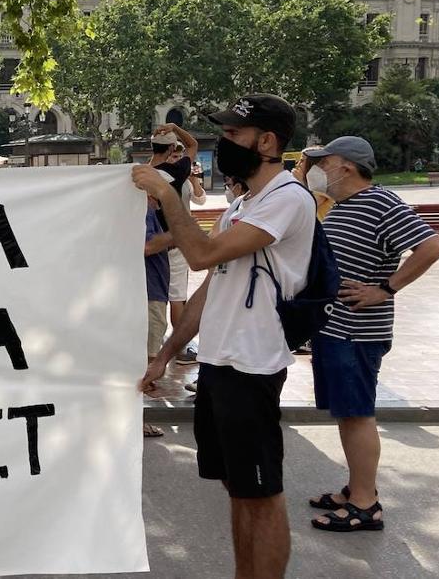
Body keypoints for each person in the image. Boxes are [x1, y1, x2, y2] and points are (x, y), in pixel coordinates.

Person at [134, 93, 315, 579]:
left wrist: (169, 194)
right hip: (219, 365)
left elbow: (201, 256)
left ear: (268, 141)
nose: (226, 141)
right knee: (238, 491)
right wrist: (166, 357)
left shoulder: (287, 199)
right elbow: (208, 293)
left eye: (235, 133)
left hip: (252, 366)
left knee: (262, 494)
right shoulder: (244, 205)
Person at [302, 136, 439, 533]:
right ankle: (357, 488)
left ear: (345, 166)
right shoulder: (343, 206)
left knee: (357, 414)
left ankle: (366, 504)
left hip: (356, 331)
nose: (314, 168)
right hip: (335, 328)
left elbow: (432, 247)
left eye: (321, 161)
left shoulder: (382, 203)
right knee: (347, 414)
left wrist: (385, 288)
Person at [149, 126, 199, 365]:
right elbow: (192, 146)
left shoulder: (142, 174)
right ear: (171, 148)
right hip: (173, 243)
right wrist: (176, 128)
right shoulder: (176, 171)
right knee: (177, 296)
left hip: (150, 246)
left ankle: (152, 350)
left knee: (154, 298)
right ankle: (179, 348)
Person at [143, 184, 175, 438]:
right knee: (145, 363)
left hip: (153, 290)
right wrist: (179, 232)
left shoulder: (147, 212)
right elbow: (147, 246)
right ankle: (138, 420)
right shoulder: (144, 211)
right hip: (150, 292)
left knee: (145, 361)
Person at [292, 148, 334, 221]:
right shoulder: (309, 183)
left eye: (302, 161)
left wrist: (300, 182)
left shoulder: (322, 185)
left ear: (312, 164)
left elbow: (309, 205)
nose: (297, 164)